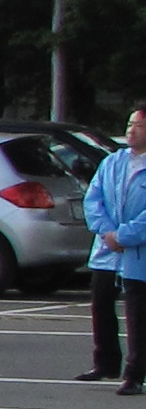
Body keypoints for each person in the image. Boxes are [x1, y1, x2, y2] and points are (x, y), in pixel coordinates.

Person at [86, 107, 146, 393]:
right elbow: (93, 199)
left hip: (138, 252)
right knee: (101, 304)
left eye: (138, 125)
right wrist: (107, 231)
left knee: (137, 314)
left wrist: (125, 235)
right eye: (129, 123)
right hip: (107, 250)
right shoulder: (112, 162)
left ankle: (134, 373)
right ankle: (105, 362)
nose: (131, 130)